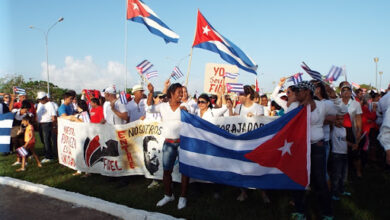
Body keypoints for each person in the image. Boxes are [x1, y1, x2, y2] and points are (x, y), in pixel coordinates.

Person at [292, 81, 334, 219]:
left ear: (308, 92)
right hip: (300, 148)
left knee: (319, 180)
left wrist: (333, 94)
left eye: (299, 91)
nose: (296, 93)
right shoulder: (293, 106)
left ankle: (327, 213)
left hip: (317, 146)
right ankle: (299, 211)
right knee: (299, 179)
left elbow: (338, 112)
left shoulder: (322, 105)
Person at [146, 82, 190, 210]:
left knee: (185, 172)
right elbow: (149, 108)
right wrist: (151, 92)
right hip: (168, 144)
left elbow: (192, 120)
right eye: (179, 92)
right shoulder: (163, 106)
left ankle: (183, 197)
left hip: (183, 144)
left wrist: (186, 112)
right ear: (171, 93)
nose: (181, 95)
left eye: (182, 93)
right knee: (166, 171)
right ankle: (168, 195)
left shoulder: (184, 106)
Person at [339, 83, 363, 178]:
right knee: (342, 152)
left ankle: (358, 171)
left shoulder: (355, 103)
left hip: (351, 129)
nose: (346, 92)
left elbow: (358, 118)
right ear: (340, 93)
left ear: (351, 92)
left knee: (355, 151)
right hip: (340, 129)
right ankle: (345, 172)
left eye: (348, 90)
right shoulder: (337, 102)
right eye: (344, 91)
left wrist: (359, 131)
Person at [330, 114, 353, 201]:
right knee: (336, 175)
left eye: (342, 119)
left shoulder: (344, 129)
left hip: (344, 154)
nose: (340, 121)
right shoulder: (333, 129)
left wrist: (352, 144)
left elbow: (344, 140)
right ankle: (334, 193)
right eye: (338, 119)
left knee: (344, 175)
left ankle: (342, 190)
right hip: (336, 154)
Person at [36, 91, 57, 163]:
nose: (40, 100)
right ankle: (47, 153)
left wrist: (54, 126)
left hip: (47, 123)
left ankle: (49, 156)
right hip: (41, 124)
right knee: (43, 140)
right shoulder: (39, 104)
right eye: (39, 99)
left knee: (46, 140)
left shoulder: (50, 104)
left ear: (45, 98)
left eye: (42, 99)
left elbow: (53, 116)